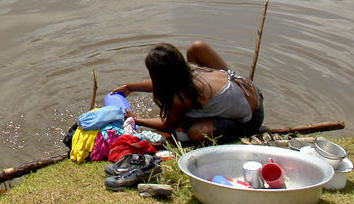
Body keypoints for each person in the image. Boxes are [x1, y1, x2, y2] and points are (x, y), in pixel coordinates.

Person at [112, 41, 263, 143]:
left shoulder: (181, 96)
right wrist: (130, 87)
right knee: (197, 47)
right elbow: (162, 83)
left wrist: (136, 120)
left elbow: (167, 124)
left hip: (252, 119)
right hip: (253, 93)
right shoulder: (189, 69)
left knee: (194, 132)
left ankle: (237, 128)